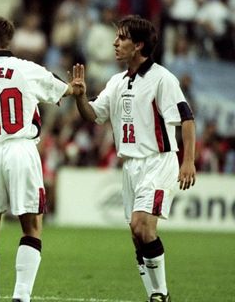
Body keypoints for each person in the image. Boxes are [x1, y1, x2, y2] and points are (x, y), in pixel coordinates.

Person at [70, 15, 196, 302]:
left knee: (142, 225)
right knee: (136, 233)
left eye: (122, 38)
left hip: (158, 160)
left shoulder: (162, 78)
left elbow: (187, 119)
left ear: (138, 45)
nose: (115, 43)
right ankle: (156, 296)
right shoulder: (117, 82)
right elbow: (94, 115)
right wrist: (80, 96)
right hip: (131, 166)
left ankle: (161, 293)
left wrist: (189, 161)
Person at [0, 16, 74, 302]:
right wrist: (74, 88)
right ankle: (21, 296)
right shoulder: (26, 69)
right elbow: (63, 89)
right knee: (31, 225)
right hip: (21, 149)